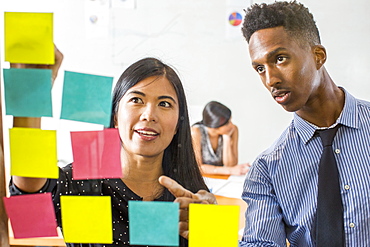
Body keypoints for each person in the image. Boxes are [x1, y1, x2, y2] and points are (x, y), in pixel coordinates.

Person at [9, 54, 216, 246]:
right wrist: (30, 90)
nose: (149, 115)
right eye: (136, 100)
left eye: (164, 104)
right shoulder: (82, 182)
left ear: (178, 125)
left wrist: (211, 232)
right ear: (115, 116)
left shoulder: (189, 195)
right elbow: (28, 200)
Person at [239, 1, 370, 246]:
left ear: (318, 56)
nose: (271, 80)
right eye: (259, 68)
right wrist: (209, 230)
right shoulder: (267, 170)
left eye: (280, 59)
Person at [191, 101, 250, 175]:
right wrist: (229, 170)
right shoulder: (196, 132)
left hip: (221, 178)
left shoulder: (233, 130)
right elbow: (197, 167)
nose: (231, 125)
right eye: (228, 123)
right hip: (203, 178)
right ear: (215, 126)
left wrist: (227, 138)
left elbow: (231, 165)